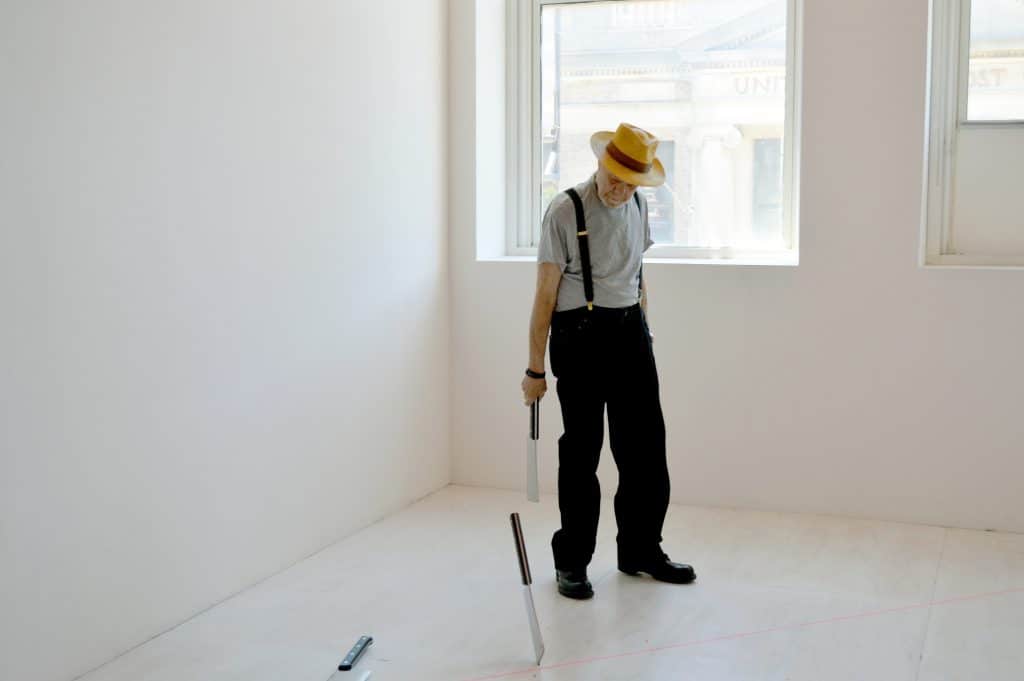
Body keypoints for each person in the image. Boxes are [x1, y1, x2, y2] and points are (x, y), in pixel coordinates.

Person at [520, 123, 697, 600]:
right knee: (582, 452)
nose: (620, 190)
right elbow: (544, 295)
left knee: (645, 449)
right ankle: (572, 562)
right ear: (600, 163)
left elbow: (637, 274)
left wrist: (645, 331)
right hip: (579, 336)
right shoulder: (566, 210)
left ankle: (641, 549)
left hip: (630, 334)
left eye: (631, 183)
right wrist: (535, 369)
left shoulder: (638, 205)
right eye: (614, 178)